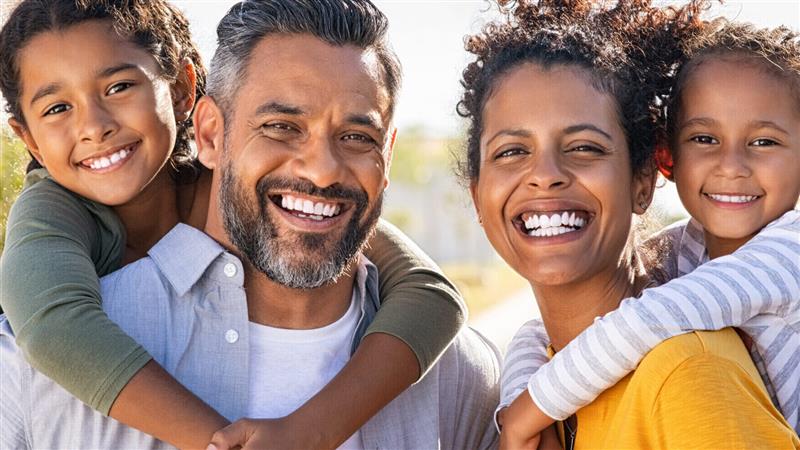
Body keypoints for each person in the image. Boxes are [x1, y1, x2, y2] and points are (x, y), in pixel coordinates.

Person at [0, 1, 501, 449]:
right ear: (212, 132)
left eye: (355, 136)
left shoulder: (459, 377)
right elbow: (50, 325)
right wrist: (217, 441)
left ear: (182, 96)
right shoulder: (49, 235)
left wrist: (312, 432)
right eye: (281, 127)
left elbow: (427, 290)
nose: (94, 126)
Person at [455, 0, 799, 448]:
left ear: (644, 179)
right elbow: (534, 332)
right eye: (511, 151)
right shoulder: (687, 253)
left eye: (584, 147)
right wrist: (521, 402)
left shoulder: (686, 371)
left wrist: (526, 412)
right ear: (476, 195)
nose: (544, 174)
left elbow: (648, 318)